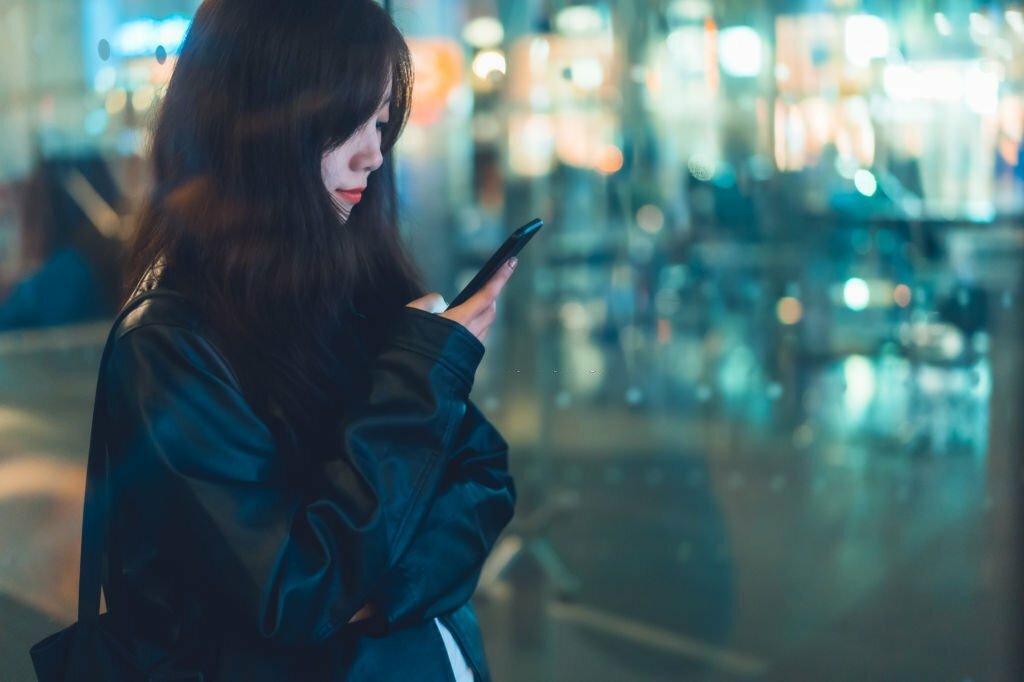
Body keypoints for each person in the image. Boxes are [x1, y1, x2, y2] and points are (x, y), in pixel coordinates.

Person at [98, 0, 516, 679]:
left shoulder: (357, 288)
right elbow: (301, 591)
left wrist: (377, 592)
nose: (374, 152)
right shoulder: (170, 348)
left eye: (382, 122)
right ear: (259, 122)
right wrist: (418, 376)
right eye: (347, 120)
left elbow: (485, 479)